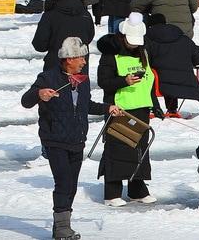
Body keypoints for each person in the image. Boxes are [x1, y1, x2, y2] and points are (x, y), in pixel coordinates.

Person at [22, 36, 123, 240]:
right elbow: (26, 100)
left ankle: (63, 225)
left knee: (72, 185)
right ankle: (61, 228)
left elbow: (87, 106)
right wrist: (39, 93)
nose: (84, 62)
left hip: (77, 141)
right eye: (81, 58)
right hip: (55, 140)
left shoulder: (82, 81)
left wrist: (107, 108)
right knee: (64, 182)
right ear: (69, 59)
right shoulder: (48, 78)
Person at [95, 13, 154, 205]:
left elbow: (148, 83)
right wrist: (124, 81)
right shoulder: (110, 55)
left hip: (141, 109)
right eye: (131, 42)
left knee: (139, 150)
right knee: (118, 150)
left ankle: (137, 190)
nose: (134, 45)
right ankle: (112, 193)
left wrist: (156, 105)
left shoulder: (144, 53)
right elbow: (104, 82)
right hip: (119, 109)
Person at [33, 0, 95, 74]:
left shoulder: (49, 15)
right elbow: (89, 36)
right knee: (79, 88)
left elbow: (39, 45)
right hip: (81, 68)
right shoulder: (85, 14)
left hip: (55, 68)